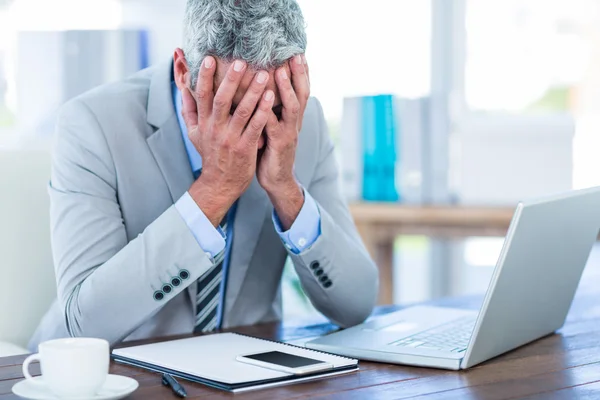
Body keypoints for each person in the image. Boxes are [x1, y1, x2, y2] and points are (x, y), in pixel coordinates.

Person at [29, 0, 378, 349]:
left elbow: (356, 305)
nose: (255, 130)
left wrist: (287, 190)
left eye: (269, 108)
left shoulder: (302, 122)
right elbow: (85, 325)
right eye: (235, 109)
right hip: (99, 375)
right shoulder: (92, 124)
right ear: (184, 71)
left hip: (242, 374)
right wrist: (214, 191)